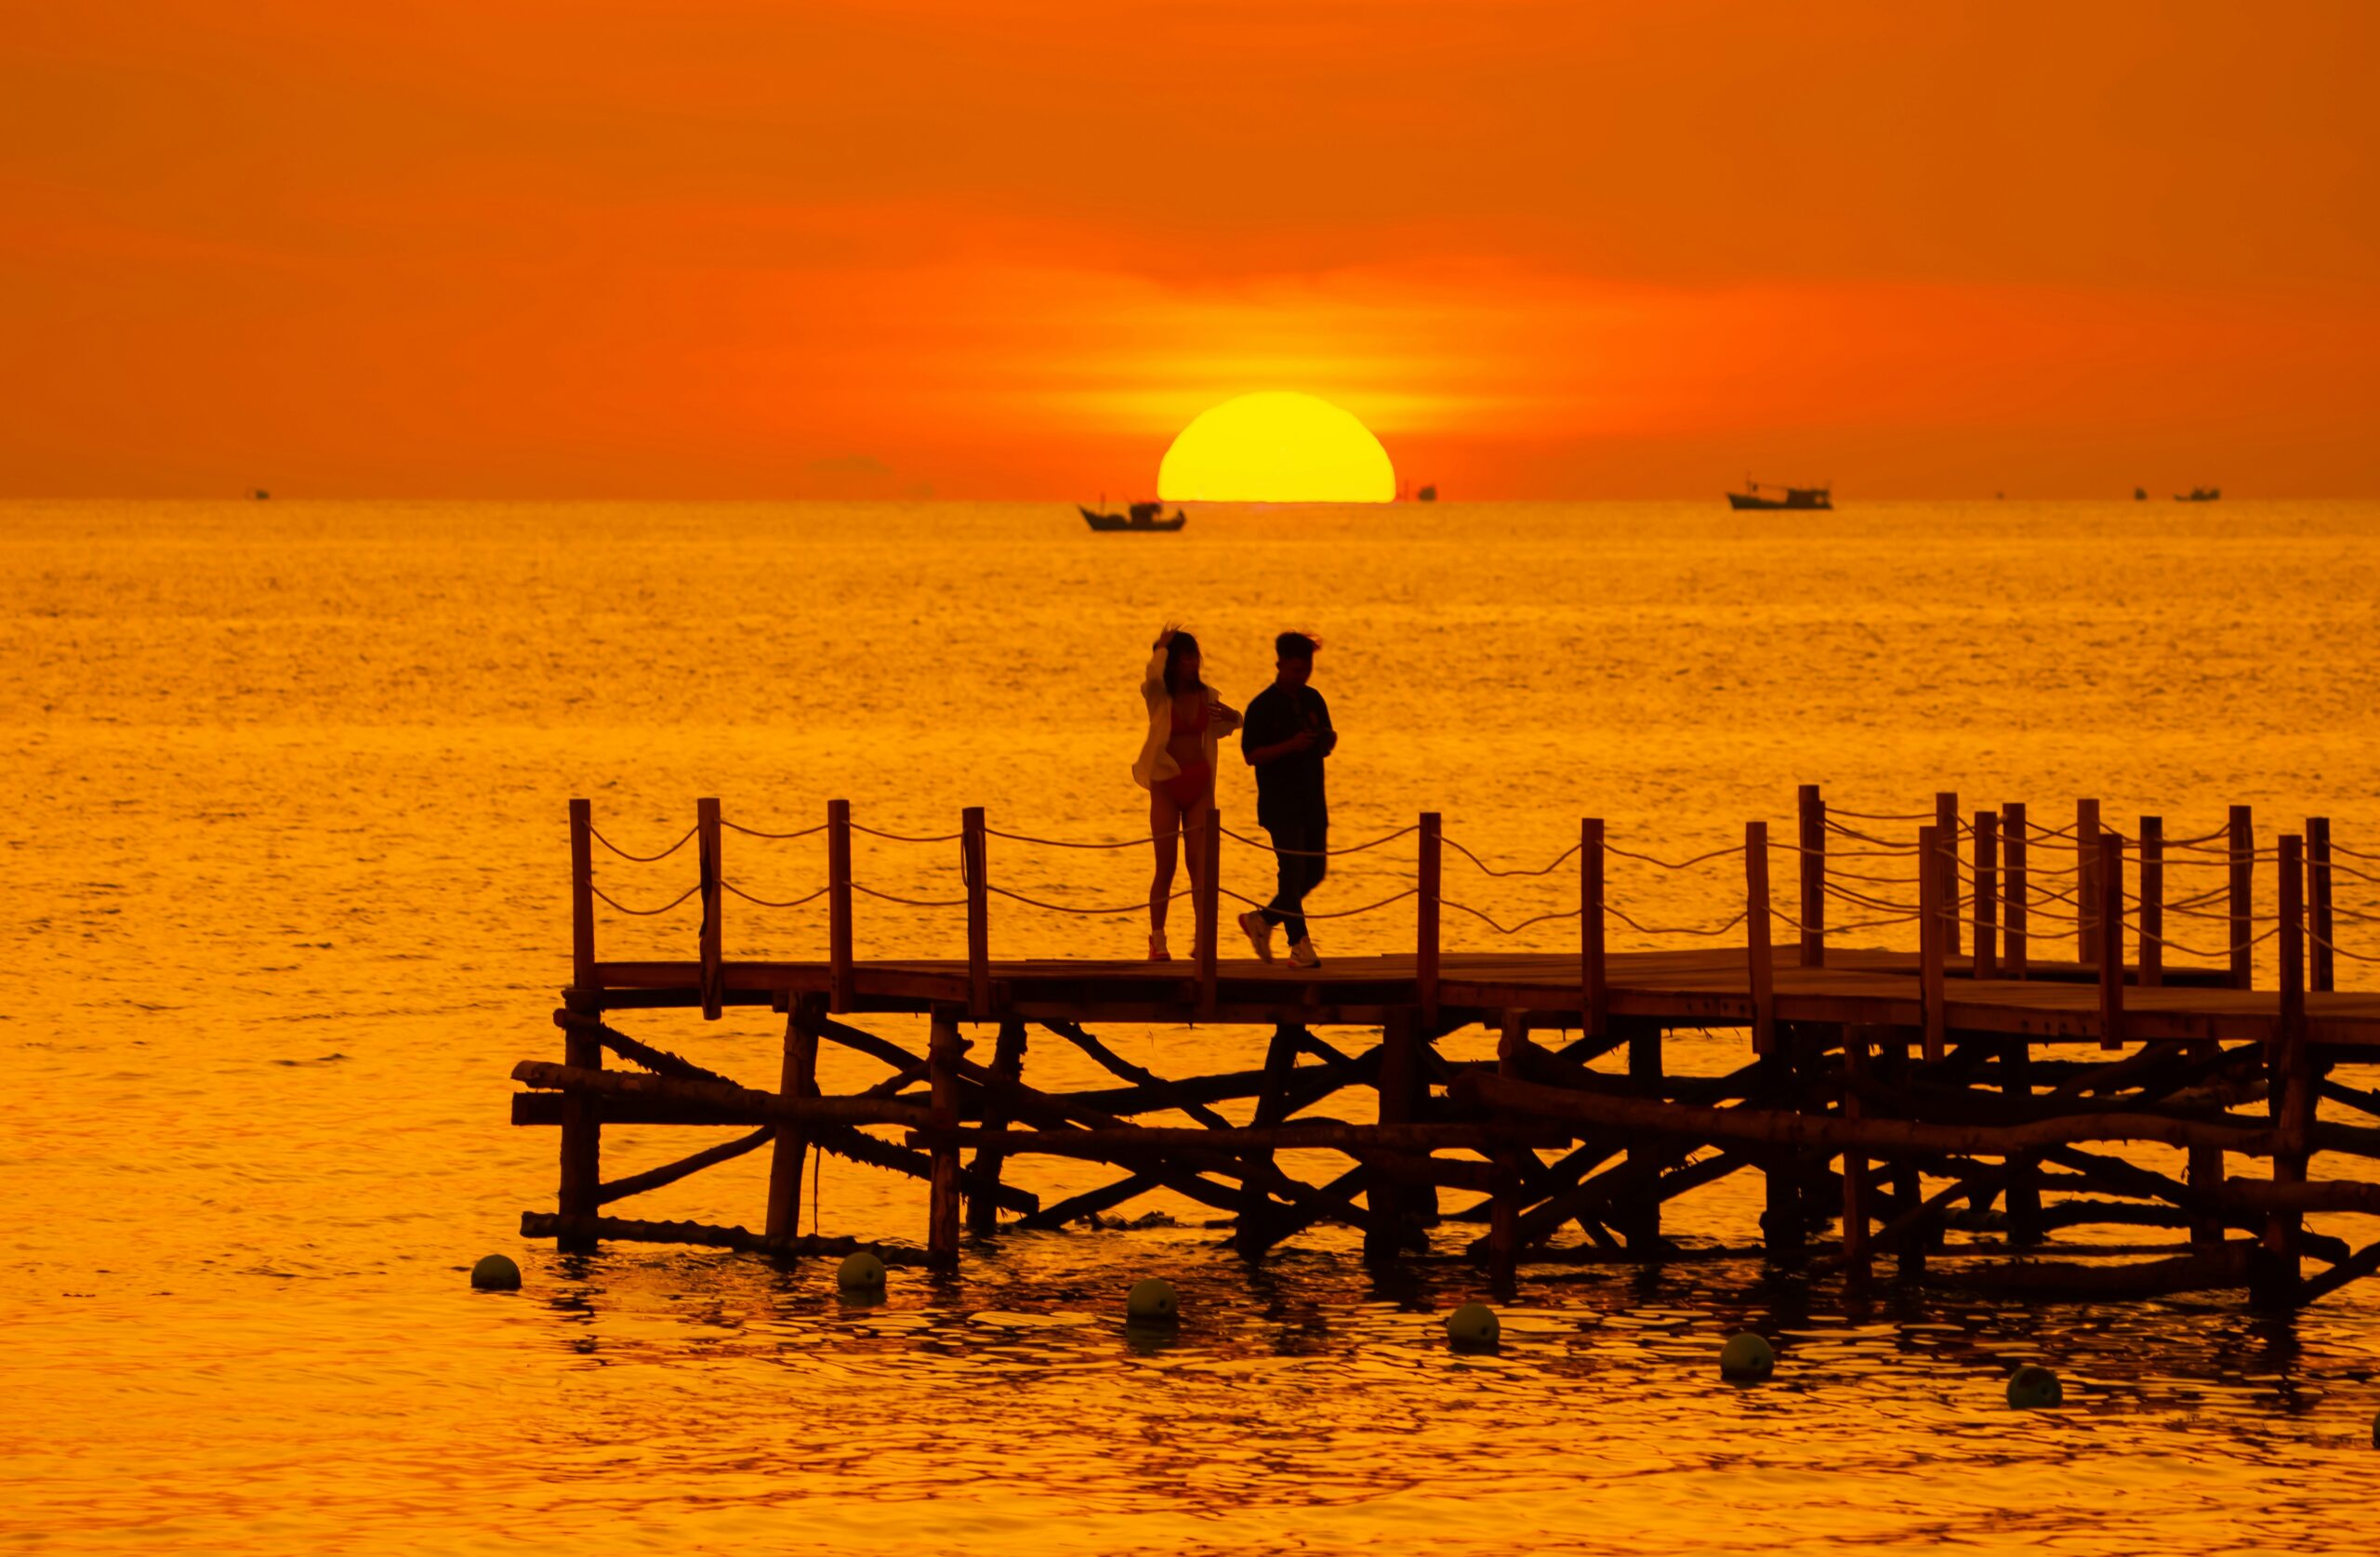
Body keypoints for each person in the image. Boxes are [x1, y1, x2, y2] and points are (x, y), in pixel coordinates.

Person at [1132, 626, 1239, 961]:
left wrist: (1237, 717)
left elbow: (1225, 725)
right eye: (1185, 656)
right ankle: (1158, 940)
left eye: (1195, 656)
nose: (1193, 662)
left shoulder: (1207, 695)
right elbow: (1150, 677)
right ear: (1172, 661)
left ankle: (1203, 939)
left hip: (1200, 786)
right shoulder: (1158, 695)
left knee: (1200, 867)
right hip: (1167, 786)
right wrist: (1161, 648)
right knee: (1166, 866)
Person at [1237, 631, 1335, 968]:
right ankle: (1300, 944)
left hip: (1312, 798)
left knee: (1315, 871)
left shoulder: (1313, 699)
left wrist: (1323, 741)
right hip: (1280, 802)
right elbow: (1251, 754)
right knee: (1291, 872)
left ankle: (1262, 920)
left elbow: (1325, 742)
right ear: (1279, 665)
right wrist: (1290, 746)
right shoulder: (1262, 706)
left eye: (1305, 669)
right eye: (1295, 669)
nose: (1301, 675)